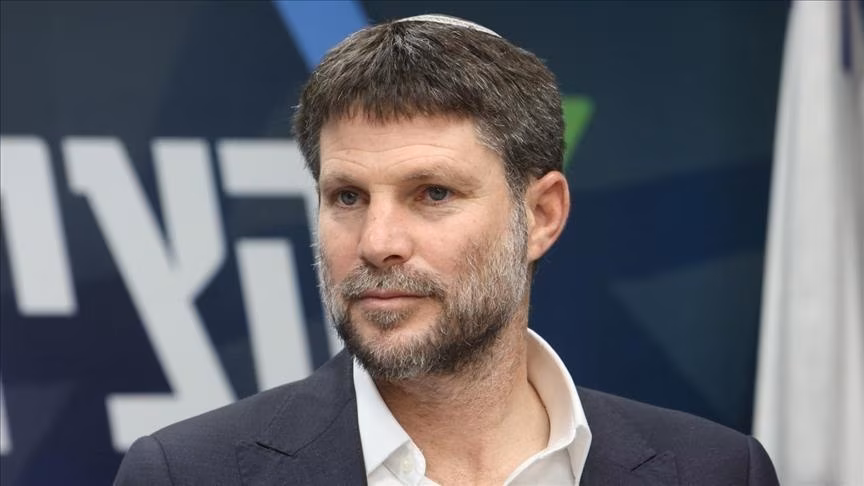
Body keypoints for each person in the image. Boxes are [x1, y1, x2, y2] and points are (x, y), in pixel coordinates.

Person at [115, 14, 780, 486]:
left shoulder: (716, 471)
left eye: (432, 193)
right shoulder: (188, 474)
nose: (378, 243)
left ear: (541, 215)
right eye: (347, 196)